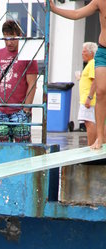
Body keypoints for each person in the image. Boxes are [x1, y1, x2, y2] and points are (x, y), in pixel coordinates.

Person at [50, 0, 106, 150]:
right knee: (100, 92)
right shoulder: (100, 2)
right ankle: (100, 138)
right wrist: (54, 9)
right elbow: (76, 14)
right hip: (103, 51)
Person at [0, 20, 38, 143]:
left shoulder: (27, 54)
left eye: (12, 39)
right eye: (6, 39)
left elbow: (32, 83)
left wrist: (26, 108)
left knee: (23, 148)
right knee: (0, 150)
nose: (9, 42)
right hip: (0, 110)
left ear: (19, 36)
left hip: (19, 111)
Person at [78, 42, 98, 146]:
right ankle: (93, 145)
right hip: (86, 98)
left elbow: (95, 80)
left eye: (84, 51)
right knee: (88, 122)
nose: (82, 53)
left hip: (89, 99)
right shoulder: (90, 64)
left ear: (91, 53)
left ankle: (92, 145)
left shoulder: (93, 63)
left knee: (89, 122)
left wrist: (89, 97)